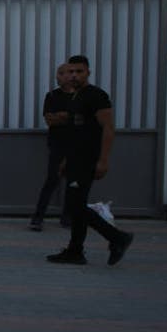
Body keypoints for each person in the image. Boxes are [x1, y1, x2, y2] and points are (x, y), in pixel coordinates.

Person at [46, 55, 135, 266]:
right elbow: (77, 131)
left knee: (75, 205)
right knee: (75, 205)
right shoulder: (77, 97)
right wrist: (67, 159)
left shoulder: (96, 96)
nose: (74, 75)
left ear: (88, 72)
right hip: (75, 158)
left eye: (79, 71)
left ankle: (117, 238)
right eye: (71, 71)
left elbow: (108, 128)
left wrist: (103, 160)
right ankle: (75, 251)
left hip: (88, 159)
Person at [29, 63, 73, 231]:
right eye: (59, 73)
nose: (60, 77)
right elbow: (50, 119)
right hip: (57, 144)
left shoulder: (82, 97)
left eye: (64, 73)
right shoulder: (53, 96)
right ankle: (38, 217)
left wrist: (63, 116)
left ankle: (67, 217)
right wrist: (68, 117)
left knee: (73, 182)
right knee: (52, 179)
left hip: (78, 145)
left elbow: (85, 120)